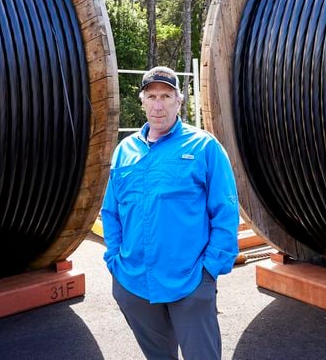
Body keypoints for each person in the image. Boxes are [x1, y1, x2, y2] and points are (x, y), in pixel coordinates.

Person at [101, 66, 239, 360]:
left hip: (189, 281)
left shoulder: (204, 147)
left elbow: (225, 211)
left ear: (179, 101)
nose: (158, 104)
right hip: (134, 281)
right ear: (142, 101)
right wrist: (114, 259)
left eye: (166, 95)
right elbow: (110, 212)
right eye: (151, 96)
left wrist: (209, 271)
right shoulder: (125, 151)